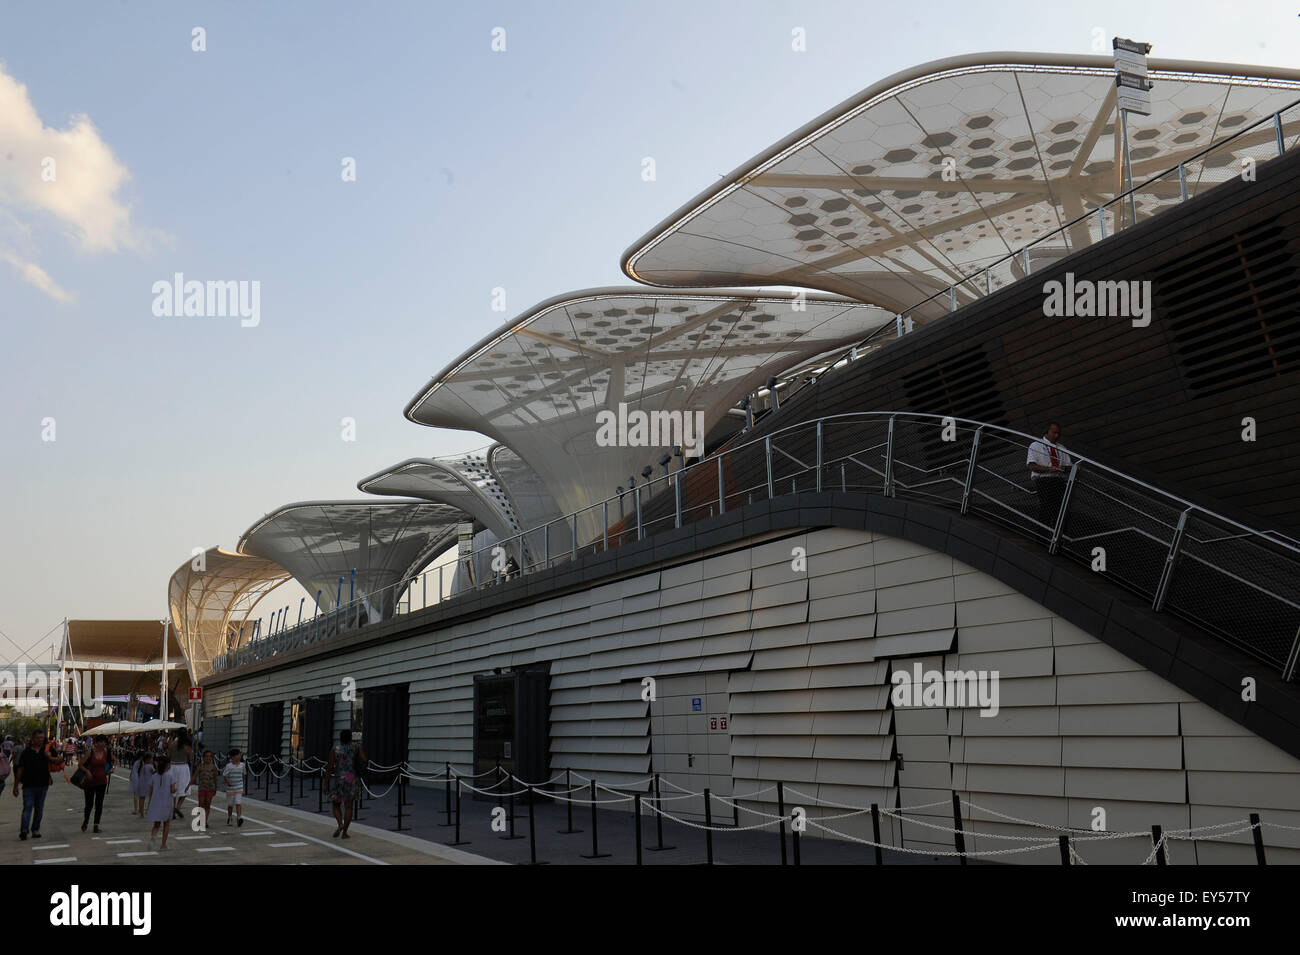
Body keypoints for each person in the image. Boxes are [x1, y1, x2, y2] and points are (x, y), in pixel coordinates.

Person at [1026, 422, 1074, 529]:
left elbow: (1069, 467)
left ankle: (1058, 538)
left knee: (1061, 511)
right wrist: (1049, 469)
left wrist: (1063, 468)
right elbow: (1032, 466)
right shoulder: (1036, 445)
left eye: (1058, 433)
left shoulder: (1061, 447)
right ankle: (1042, 537)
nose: (1056, 436)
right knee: (1047, 508)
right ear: (1047, 431)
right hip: (1044, 480)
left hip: (1059, 480)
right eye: (1054, 433)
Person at [325, 729, 366, 839]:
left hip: (339, 779)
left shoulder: (335, 750)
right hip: (352, 779)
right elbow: (364, 760)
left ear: (340, 738)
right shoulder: (356, 748)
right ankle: (345, 832)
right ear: (350, 738)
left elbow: (329, 767)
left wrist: (326, 783)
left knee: (336, 804)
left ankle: (340, 824)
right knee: (349, 807)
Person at [13, 729, 53, 840]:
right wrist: (15, 785)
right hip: (28, 785)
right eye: (38, 738)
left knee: (39, 809)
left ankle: (35, 830)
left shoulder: (47, 750)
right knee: (27, 807)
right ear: (32, 739)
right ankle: (24, 831)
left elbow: (59, 760)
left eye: (42, 737)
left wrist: (49, 756)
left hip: (43, 785)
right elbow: (20, 769)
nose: (40, 740)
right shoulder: (26, 752)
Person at [78, 737, 110, 833]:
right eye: (101, 742)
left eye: (104, 742)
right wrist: (87, 771)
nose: (103, 744)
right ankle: (86, 821)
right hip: (90, 782)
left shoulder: (105, 752)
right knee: (89, 804)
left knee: (99, 804)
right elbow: (80, 764)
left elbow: (108, 764)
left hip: (102, 781)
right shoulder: (90, 752)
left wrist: (109, 770)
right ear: (96, 743)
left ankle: (96, 825)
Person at [146, 755, 176, 851]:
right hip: (166, 803)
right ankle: (163, 845)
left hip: (155, 803)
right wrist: (175, 789)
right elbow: (172, 790)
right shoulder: (170, 776)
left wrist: (150, 803)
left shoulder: (154, 776)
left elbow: (151, 790)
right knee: (166, 824)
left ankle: (153, 838)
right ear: (168, 765)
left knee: (156, 825)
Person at [169, 729, 194, 820]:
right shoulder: (187, 745)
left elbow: (169, 756)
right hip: (183, 767)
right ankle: (177, 807)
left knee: (173, 790)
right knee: (185, 788)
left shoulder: (172, 744)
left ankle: (173, 810)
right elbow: (191, 758)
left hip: (173, 767)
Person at [193, 750, 218, 828]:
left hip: (210, 788)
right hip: (202, 788)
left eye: (210, 756)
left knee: (207, 804)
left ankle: (204, 821)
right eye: (206, 756)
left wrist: (215, 788)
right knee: (201, 804)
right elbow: (194, 776)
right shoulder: (200, 766)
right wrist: (188, 786)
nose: (208, 758)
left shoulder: (213, 767)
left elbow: (215, 778)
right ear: (203, 758)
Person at [221, 749, 246, 826]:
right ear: (232, 757)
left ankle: (239, 818)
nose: (239, 756)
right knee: (230, 805)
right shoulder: (229, 766)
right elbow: (225, 775)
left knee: (238, 803)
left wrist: (242, 784)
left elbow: (244, 774)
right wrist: (228, 782)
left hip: (239, 788)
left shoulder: (242, 765)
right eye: (237, 755)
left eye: (239, 755)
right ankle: (230, 817)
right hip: (231, 789)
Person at [132, 752, 155, 816]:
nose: (152, 760)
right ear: (148, 759)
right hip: (149, 784)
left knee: (142, 798)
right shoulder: (150, 766)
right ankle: (149, 809)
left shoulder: (142, 766)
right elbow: (155, 773)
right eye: (151, 759)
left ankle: (141, 812)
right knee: (151, 797)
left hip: (141, 783)